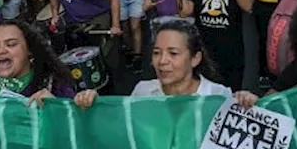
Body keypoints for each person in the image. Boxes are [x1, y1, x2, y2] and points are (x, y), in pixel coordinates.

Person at [73, 19, 259, 105]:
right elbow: (122, 132)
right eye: (156, 53)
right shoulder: (142, 92)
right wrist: (94, 108)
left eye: (173, 53)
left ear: (195, 58)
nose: (162, 61)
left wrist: (251, 106)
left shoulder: (220, 98)